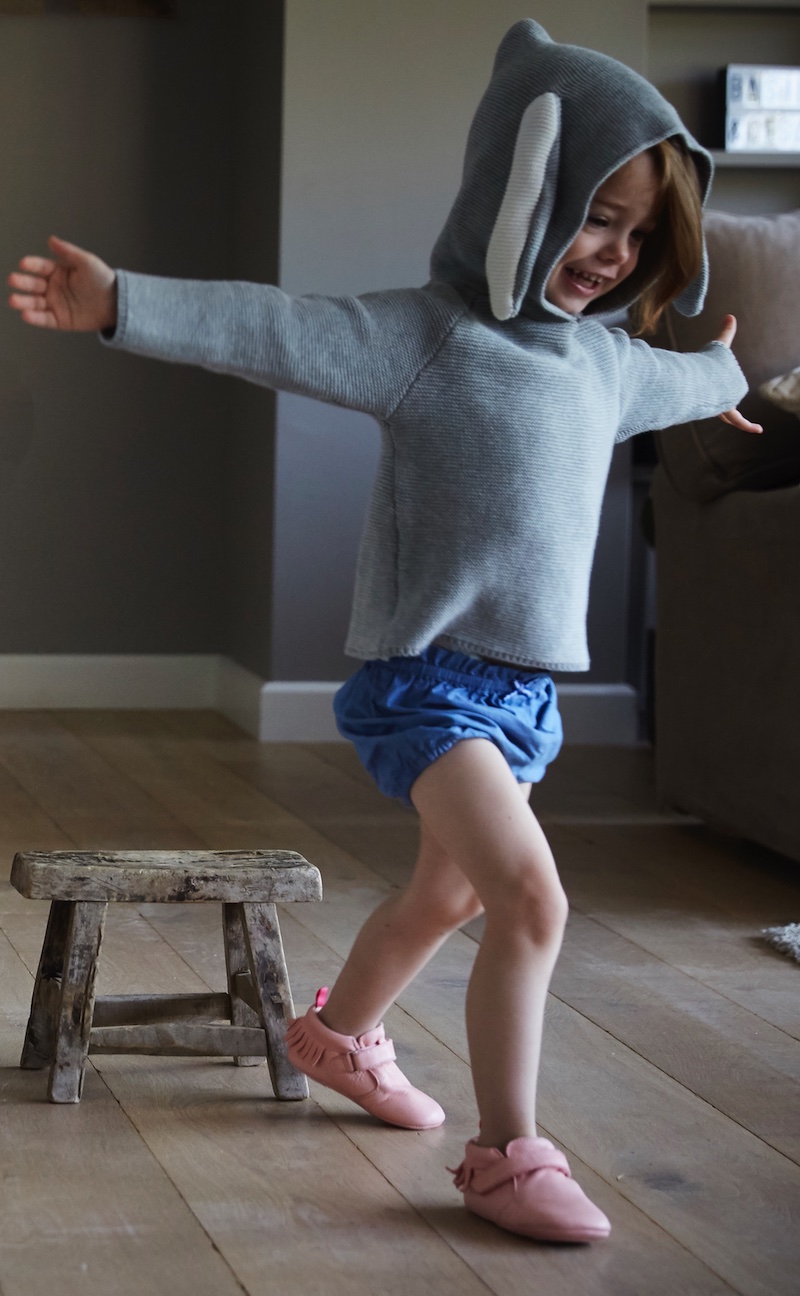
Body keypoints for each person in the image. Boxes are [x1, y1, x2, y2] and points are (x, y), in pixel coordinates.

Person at [8, 20, 760, 1245]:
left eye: (636, 234)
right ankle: (505, 1151)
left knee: (448, 899)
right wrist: (120, 304)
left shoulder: (608, 366)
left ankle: (335, 1036)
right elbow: (274, 327)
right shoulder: (424, 337)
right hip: (428, 686)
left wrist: (722, 378)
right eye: (590, 216)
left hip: (525, 702)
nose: (608, 254)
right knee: (530, 900)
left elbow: (682, 381)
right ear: (521, 192)